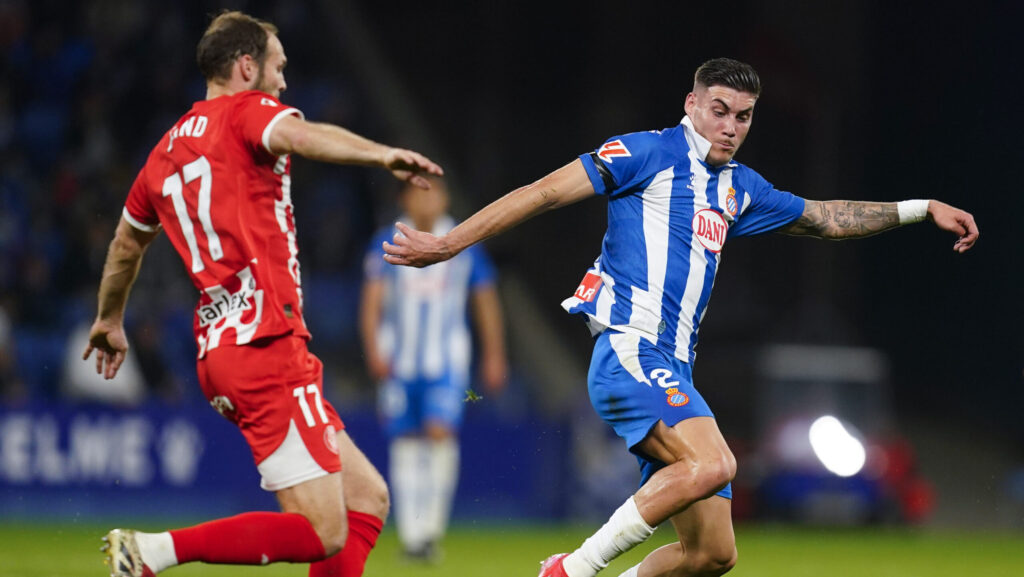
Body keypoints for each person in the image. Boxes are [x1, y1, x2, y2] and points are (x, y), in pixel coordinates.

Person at [382, 58, 978, 577]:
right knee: (716, 462)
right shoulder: (645, 152)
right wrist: (449, 243)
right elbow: (542, 192)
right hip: (629, 350)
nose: (730, 127)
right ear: (691, 104)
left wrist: (922, 208)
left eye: (743, 117)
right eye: (719, 110)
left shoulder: (739, 188)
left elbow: (825, 217)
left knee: (711, 555)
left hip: (675, 366)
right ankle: (570, 570)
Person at [82, 11, 442, 577]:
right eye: (277, 67)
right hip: (266, 345)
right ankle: (152, 552)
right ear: (246, 66)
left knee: (367, 498)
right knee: (324, 532)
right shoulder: (247, 112)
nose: (282, 83)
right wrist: (378, 153)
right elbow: (303, 134)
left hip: (223, 350)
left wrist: (109, 318)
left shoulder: (164, 153)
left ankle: (154, 552)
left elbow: (127, 243)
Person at [359, 176, 507, 561]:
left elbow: (485, 298)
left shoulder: (461, 240)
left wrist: (494, 354)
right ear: (406, 197)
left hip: (446, 363)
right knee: (405, 441)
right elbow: (372, 298)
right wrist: (373, 347)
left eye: (438, 191)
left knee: (440, 434)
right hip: (399, 361)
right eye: (422, 191)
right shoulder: (386, 240)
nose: (432, 199)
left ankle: (430, 532)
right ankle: (412, 537)